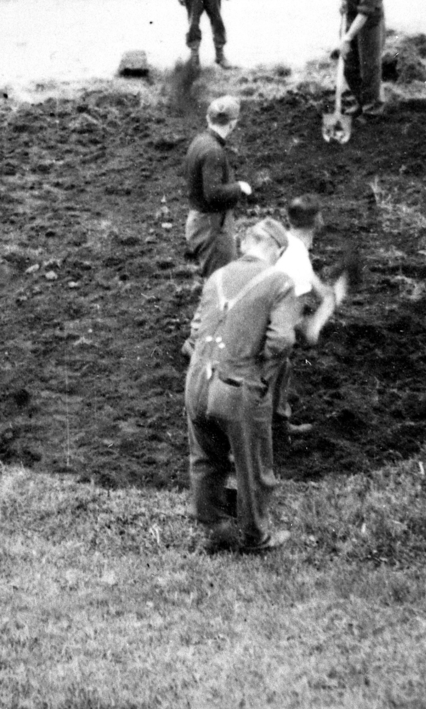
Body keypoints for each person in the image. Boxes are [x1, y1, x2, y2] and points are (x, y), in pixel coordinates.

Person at [185, 219, 299, 553]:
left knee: (206, 459)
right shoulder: (280, 282)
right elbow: (281, 341)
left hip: (196, 383)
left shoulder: (217, 277)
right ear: (276, 250)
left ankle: (215, 527)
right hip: (238, 388)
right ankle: (254, 537)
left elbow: (194, 332)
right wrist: (261, 375)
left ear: (246, 243)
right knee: (253, 468)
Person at [273, 196, 342, 431]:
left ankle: (279, 421)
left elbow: (314, 284)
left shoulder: (285, 242)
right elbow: (296, 325)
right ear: (318, 222)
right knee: (271, 368)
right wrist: (317, 320)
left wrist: (328, 294)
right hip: (263, 329)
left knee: (282, 368)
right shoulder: (297, 259)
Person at [184, 95, 252, 279]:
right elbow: (213, 194)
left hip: (201, 221)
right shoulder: (213, 151)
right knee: (221, 284)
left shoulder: (200, 141)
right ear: (232, 124)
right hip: (212, 227)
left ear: (208, 118)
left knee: (216, 283)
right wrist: (239, 187)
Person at [334, 0, 385, 117]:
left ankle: (372, 109)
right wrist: (344, 0)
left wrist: (347, 38)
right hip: (352, 13)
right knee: (349, 62)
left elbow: (365, 12)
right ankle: (360, 101)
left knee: (369, 66)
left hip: (369, 20)